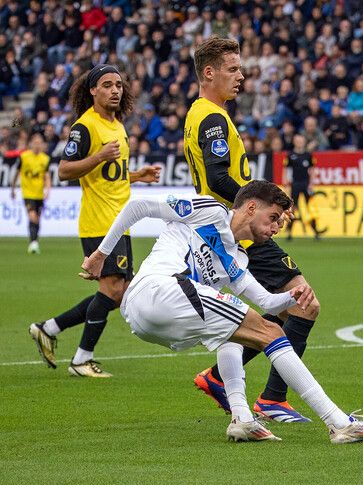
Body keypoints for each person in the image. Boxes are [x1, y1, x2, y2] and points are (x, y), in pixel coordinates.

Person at [80, 181, 363, 443]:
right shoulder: (210, 211)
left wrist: (290, 296)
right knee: (270, 333)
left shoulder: (236, 259)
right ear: (251, 208)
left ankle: (241, 418)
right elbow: (139, 206)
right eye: (274, 217)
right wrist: (101, 254)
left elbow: (266, 302)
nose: (276, 227)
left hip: (154, 316)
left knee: (230, 335)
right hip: (156, 290)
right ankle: (338, 422)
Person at [184, 37, 320, 422]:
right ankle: (271, 397)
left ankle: (223, 380)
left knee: (282, 307)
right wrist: (261, 205)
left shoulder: (203, 113)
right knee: (303, 303)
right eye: (233, 68)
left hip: (231, 228)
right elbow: (216, 176)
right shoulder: (211, 117)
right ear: (208, 73)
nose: (241, 76)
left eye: (240, 68)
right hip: (237, 229)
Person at [28, 64, 160, 377]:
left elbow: (111, 175)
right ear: (93, 91)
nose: (115, 90)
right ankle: (80, 360)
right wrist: (99, 156)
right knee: (114, 290)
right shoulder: (85, 127)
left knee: (117, 293)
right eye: (107, 85)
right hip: (99, 222)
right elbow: (64, 170)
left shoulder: (117, 124)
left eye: (118, 85)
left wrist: (136, 176)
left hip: (120, 221)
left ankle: (48, 328)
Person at [10, 132, 50, 254]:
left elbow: (47, 176)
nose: (37, 145)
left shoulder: (45, 158)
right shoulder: (24, 157)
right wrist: (13, 189)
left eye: (40, 143)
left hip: (39, 194)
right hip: (27, 193)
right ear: (31, 144)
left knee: (37, 219)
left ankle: (34, 242)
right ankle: (33, 243)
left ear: (43, 145)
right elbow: (16, 173)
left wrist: (47, 189)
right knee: (32, 216)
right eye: (35, 142)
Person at [283, 133, 321, 240]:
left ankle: (316, 232)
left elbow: (313, 169)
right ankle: (289, 233)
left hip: (305, 184)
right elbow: (285, 169)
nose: (299, 143)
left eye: (301, 141)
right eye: (297, 141)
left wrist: (312, 183)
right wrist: (285, 181)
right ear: (294, 142)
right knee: (293, 208)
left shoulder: (308, 155)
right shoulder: (290, 155)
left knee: (310, 208)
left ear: (304, 142)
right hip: (295, 184)